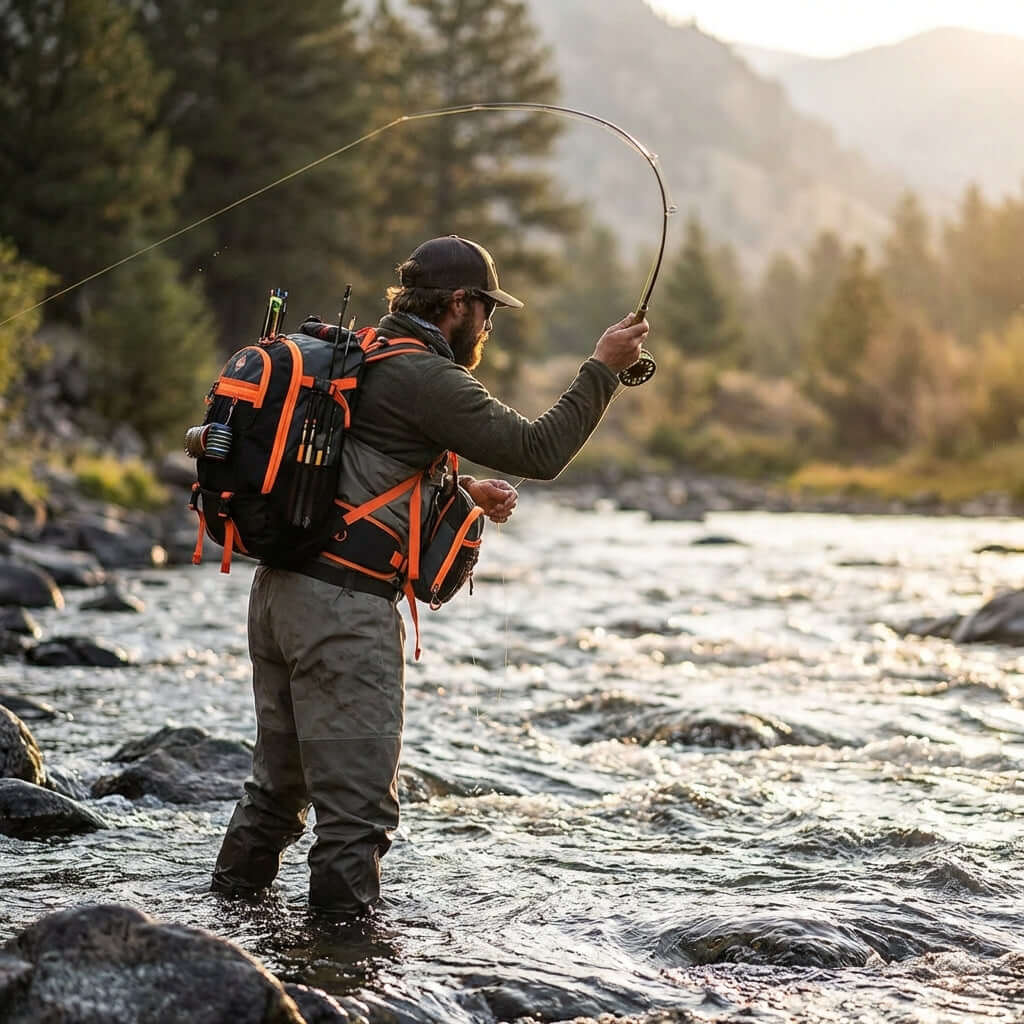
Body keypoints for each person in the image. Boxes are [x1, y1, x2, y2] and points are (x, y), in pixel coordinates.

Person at [211, 234, 649, 914]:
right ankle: (344, 979)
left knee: (275, 794)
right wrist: (603, 369)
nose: (490, 324)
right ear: (456, 305)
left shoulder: (366, 352)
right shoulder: (427, 376)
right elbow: (539, 450)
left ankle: (219, 938)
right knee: (356, 822)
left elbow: (354, 472)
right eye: (487, 309)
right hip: (341, 614)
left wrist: (462, 492)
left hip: (280, 593)